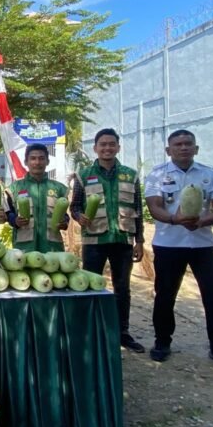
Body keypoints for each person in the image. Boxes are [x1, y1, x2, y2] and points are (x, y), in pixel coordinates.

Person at [144, 129, 213, 373]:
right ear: (168, 150)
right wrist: (174, 219)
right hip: (168, 244)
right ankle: (162, 342)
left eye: (188, 144)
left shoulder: (210, 174)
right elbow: (154, 206)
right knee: (165, 296)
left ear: (196, 148)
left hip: (203, 245)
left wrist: (202, 221)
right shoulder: (157, 174)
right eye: (178, 144)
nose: (183, 147)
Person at [70, 129, 146, 353]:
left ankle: (122, 332)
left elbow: (138, 210)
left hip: (122, 239)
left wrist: (139, 240)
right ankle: (90, 330)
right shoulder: (84, 175)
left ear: (118, 147)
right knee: (90, 285)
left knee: (122, 288)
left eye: (112, 144)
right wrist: (79, 217)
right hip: (94, 240)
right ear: (95, 148)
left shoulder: (130, 175)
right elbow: (75, 206)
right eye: (103, 144)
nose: (107, 148)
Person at [7, 144, 69, 253]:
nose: (37, 162)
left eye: (41, 158)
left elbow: (65, 215)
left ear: (47, 161)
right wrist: (14, 220)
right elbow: (8, 213)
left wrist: (65, 222)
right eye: (33, 158)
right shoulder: (14, 188)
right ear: (26, 162)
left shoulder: (59, 188)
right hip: (24, 248)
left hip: (52, 248)